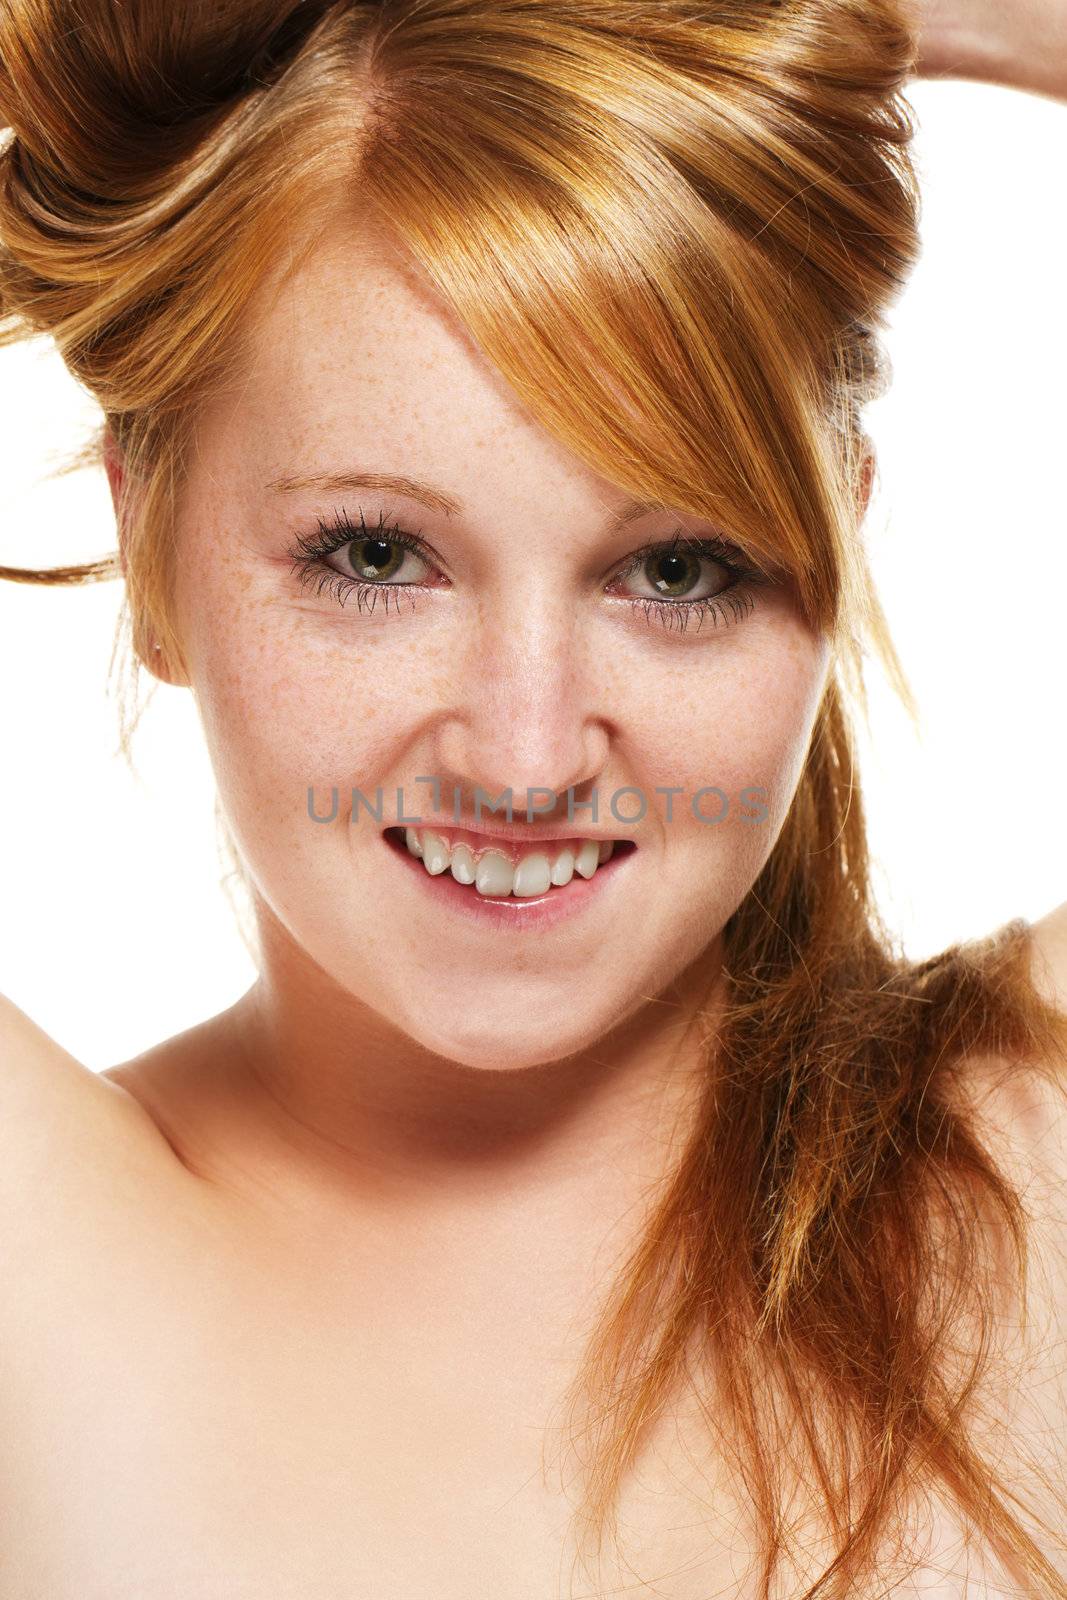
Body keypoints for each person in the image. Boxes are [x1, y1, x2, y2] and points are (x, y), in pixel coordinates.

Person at [1, 2, 1065, 1595]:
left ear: (834, 548)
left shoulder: (1032, 1184)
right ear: (149, 543)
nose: (525, 756)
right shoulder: (39, 1259)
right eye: (373, 555)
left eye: (675, 567)